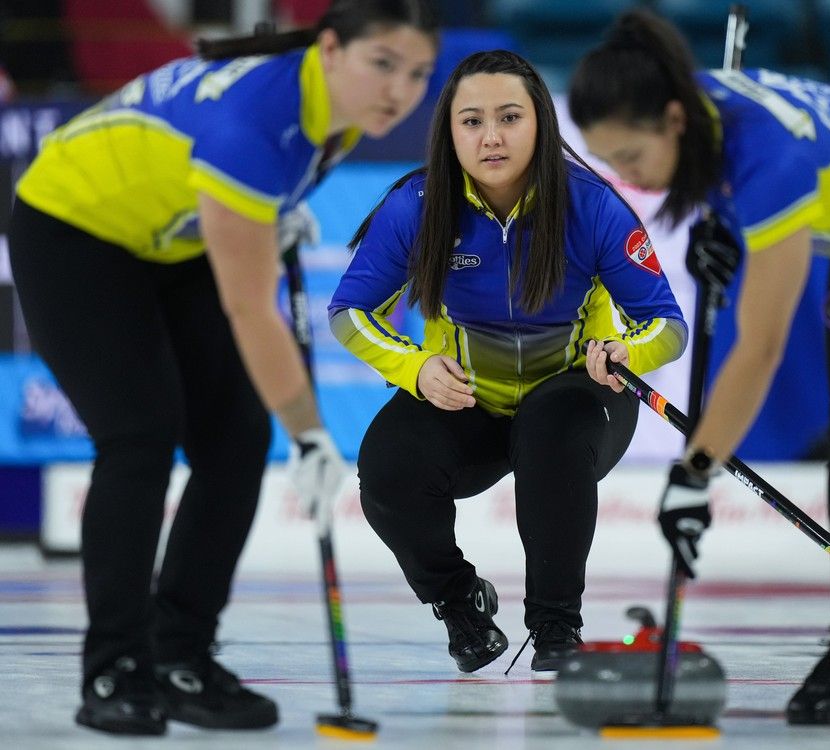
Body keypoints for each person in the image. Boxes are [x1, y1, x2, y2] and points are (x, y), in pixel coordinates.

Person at [8, 0, 437, 736]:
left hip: (170, 236)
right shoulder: (258, 125)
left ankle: (182, 653)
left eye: (420, 74)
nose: (400, 91)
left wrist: (266, 213)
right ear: (330, 50)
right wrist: (308, 433)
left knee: (234, 440)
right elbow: (250, 312)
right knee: (139, 437)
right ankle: (115, 666)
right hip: (73, 228)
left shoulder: (326, 103)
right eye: (384, 65)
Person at [568, 8, 830, 726]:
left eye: (632, 160)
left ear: (674, 120)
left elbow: (760, 348)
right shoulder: (692, 104)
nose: (628, 179)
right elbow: (720, 177)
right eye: (611, 162)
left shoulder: (765, 161)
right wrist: (717, 222)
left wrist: (695, 473)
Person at [328, 49, 687, 673]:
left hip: (579, 398)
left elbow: (668, 325)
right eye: (471, 121)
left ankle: (556, 627)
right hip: (468, 400)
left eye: (510, 117)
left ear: (541, 124)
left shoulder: (593, 205)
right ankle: (458, 601)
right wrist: (413, 368)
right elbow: (349, 312)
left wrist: (627, 351)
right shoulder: (416, 204)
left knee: (552, 427)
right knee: (388, 467)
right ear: (449, 131)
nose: (491, 136)